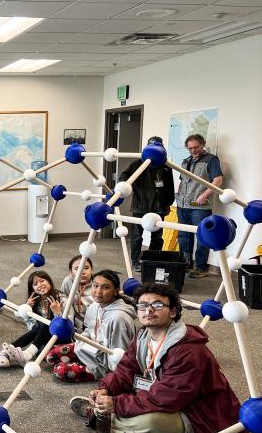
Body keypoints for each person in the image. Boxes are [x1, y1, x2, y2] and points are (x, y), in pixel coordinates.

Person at [69, 283, 249, 433]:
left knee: (148, 421)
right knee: (127, 404)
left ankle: (101, 416)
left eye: (157, 305)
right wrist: (106, 388)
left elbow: (168, 397)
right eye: (143, 305)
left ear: (172, 312)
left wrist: (116, 404)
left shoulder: (189, 351)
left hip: (198, 414)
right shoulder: (143, 335)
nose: (149, 310)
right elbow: (126, 369)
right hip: (161, 396)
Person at [55, 269, 137, 381]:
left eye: (105, 287)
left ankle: (92, 370)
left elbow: (120, 354)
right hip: (91, 349)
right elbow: (89, 330)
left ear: (116, 291)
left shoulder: (119, 318)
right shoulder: (95, 305)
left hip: (104, 364)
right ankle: (81, 359)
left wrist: (110, 376)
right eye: (95, 286)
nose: (98, 291)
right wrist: (81, 340)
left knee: (60, 371)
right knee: (52, 355)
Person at [118, 136, 175, 272]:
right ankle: (135, 261)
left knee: (157, 237)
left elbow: (170, 188)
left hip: (159, 207)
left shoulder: (165, 166)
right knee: (137, 236)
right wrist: (126, 187)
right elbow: (123, 177)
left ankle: (152, 259)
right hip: (140, 206)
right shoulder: (137, 164)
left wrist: (168, 204)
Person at [0, 270, 70, 368]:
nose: (40, 285)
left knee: (46, 323)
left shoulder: (62, 299)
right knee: (40, 325)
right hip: (45, 338)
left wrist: (58, 313)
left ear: (49, 281)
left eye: (42, 281)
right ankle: (6, 352)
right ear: (32, 289)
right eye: (35, 284)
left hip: (64, 337)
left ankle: (26, 354)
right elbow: (19, 315)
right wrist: (26, 307)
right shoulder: (36, 301)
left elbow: (69, 326)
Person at [175, 134, 224, 279]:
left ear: (203, 145)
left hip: (199, 207)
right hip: (182, 205)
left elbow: (218, 180)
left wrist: (204, 195)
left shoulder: (211, 160)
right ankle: (186, 264)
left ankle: (201, 267)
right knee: (184, 236)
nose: (193, 150)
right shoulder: (185, 161)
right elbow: (184, 182)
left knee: (202, 236)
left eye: (196, 147)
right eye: (190, 148)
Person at [60, 255, 94, 334]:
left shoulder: (97, 283)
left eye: (86, 268)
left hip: (95, 323)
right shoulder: (68, 281)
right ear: (71, 272)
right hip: (76, 322)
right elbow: (62, 301)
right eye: (77, 268)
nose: (82, 272)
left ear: (91, 270)